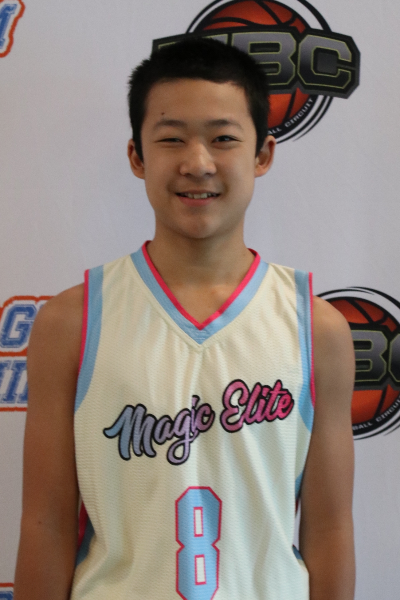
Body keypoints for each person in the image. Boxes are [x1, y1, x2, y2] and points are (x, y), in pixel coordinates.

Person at [14, 38, 355, 600]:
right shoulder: (71, 322)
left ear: (263, 154)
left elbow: (331, 530)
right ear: (137, 156)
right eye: (171, 139)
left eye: (223, 138)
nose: (197, 163)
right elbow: (45, 526)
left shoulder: (318, 329)